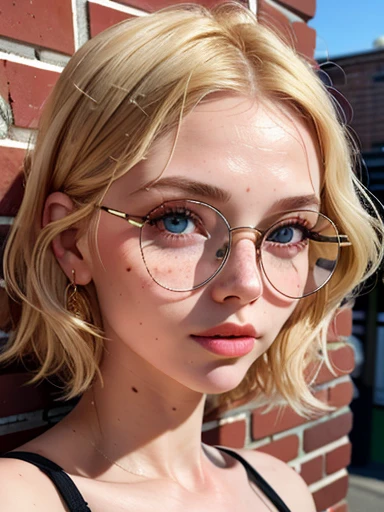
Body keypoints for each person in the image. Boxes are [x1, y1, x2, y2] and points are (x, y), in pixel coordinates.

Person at [0, 4, 383, 511]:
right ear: (71, 241)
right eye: (177, 220)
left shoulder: (284, 487)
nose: (246, 283)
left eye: (289, 230)